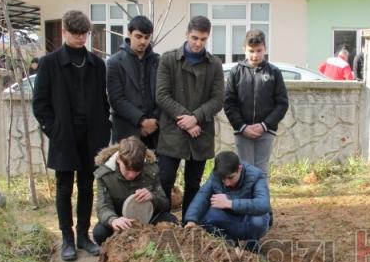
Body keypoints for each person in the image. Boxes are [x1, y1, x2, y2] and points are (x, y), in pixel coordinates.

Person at [33, 10, 111, 261]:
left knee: (87, 186)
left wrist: (104, 127)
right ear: (64, 32)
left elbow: (103, 100)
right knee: (64, 188)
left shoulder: (97, 65)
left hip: (92, 136)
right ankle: (66, 237)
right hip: (64, 135)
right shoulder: (49, 63)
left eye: (84, 34)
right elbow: (40, 104)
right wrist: (54, 130)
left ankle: (83, 236)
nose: (80, 38)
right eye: (75, 33)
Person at [155, 15, 224, 219]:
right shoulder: (168, 59)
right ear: (186, 34)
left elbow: (218, 99)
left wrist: (196, 118)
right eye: (194, 38)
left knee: (193, 183)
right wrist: (187, 120)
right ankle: (162, 223)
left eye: (203, 39)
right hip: (172, 132)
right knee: (165, 180)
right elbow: (161, 95)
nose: (198, 43)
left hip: (200, 133)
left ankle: (190, 223)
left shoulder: (214, 64)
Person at [223, 29, 289, 175]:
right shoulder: (236, 72)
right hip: (242, 131)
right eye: (251, 51)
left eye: (259, 50)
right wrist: (242, 126)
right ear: (244, 50)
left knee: (261, 170)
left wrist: (265, 125)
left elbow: (282, 103)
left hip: (266, 131)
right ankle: (247, 198)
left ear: (265, 49)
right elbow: (229, 103)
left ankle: (261, 198)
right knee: (245, 169)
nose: (255, 55)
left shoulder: (274, 72)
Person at [92, 136, 178, 246]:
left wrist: (153, 197)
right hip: (120, 218)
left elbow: (165, 204)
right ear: (119, 159)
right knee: (100, 233)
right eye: (127, 170)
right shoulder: (105, 175)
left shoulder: (151, 170)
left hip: (147, 218)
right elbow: (103, 206)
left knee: (171, 221)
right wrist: (113, 220)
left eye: (137, 171)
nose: (131, 175)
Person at [184, 151, 271, 253]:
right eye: (223, 179)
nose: (227, 183)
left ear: (239, 168)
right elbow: (202, 197)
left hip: (249, 219)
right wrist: (191, 220)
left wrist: (230, 203)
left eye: (230, 177)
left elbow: (263, 204)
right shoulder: (216, 176)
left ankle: (251, 245)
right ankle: (229, 244)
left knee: (258, 221)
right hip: (229, 217)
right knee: (204, 217)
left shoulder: (256, 175)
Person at [107, 15, 161, 149]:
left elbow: (163, 93)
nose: (143, 41)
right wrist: (142, 121)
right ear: (129, 33)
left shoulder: (158, 61)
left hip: (156, 132)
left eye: (147, 37)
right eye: (138, 36)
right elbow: (116, 99)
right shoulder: (114, 62)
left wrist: (154, 122)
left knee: (155, 170)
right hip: (127, 132)